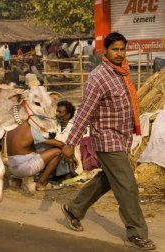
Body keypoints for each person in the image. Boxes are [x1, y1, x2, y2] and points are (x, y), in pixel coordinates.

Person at [60, 32, 156, 250]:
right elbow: (84, 112)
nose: (119, 53)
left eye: (122, 49)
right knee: (127, 185)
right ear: (105, 51)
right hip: (106, 138)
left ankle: (73, 209)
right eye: (115, 49)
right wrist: (70, 143)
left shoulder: (121, 73)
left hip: (121, 138)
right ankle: (136, 234)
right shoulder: (98, 77)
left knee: (108, 179)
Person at [6, 121, 64, 190]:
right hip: (24, 168)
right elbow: (60, 144)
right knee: (58, 152)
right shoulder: (30, 128)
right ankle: (42, 183)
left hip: (12, 168)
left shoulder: (12, 126)